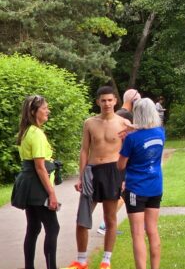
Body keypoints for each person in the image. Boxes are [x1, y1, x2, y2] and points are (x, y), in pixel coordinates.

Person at [68, 86, 132, 269]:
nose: (107, 103)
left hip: (114, 171)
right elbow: (84, 150)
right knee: (82, 219)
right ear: (98, 102)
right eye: (103, 100)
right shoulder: (90, 123)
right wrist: (81, 176)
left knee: (110, 218)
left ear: (115, 101)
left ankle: (106, 261)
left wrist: (125, 177)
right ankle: (81, 261)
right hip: (92, 171)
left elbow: (129, 152)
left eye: (110, 100)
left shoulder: (123, 123)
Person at [12, 95, 59, 269]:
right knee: (53, 228)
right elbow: (40, 167)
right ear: (34, 112)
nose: (48, 111)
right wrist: (52, 194)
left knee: (33, 228)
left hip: (28, 184)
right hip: (37, 186)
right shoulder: (36, 133)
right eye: (44, 108)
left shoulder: (25, 132)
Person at [118, 98, 165, 269]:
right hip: (155, 186)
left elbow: (121, 165)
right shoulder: (160, 133)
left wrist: (126, 139)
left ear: (136, 114)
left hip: (136, 189)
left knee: (138, 234)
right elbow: (147, 131)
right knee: (152, 230)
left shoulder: (131, 139)